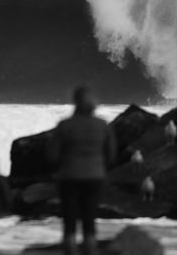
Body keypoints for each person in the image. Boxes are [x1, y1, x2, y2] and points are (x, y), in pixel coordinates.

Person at [46, 86, 117, 255]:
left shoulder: (65, 125)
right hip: (95, 177)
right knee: (89, 220)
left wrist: (59, 168)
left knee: (69, 221)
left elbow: (51, 155)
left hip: (69, 176)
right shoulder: (102, 125)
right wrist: (100, 168)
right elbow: (111, 155)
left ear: (75, 102)